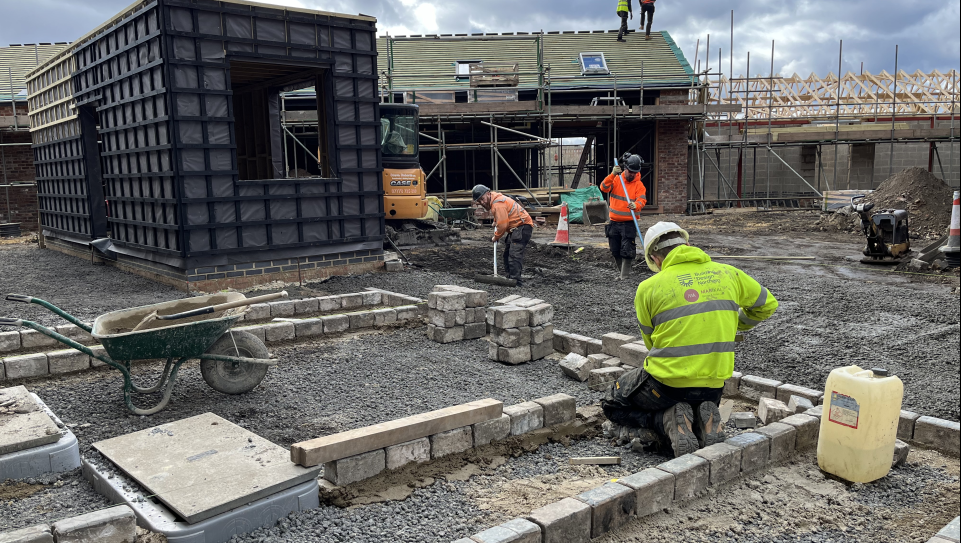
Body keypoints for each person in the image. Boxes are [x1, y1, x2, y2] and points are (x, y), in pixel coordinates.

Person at [602, 222, 779, 457]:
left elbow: (651, 344)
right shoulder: (729, 273)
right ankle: (701, 418)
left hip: (666, 388)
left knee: (613, 403)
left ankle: (664, 420)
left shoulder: (648, 287)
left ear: (655, 258)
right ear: (687, 245)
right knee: (696, 398)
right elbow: (768, 305)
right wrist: (734, 323)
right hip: (713, 388)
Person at [472, 184, 534, 287]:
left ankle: (516, 282)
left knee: (514, 255)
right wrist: (496, 220)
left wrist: (496, 237)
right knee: (507, 254)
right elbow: (503, 213)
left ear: (488, 194)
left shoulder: (497, 203)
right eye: (479, 201)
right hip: (516, 228)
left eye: (482, 199)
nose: (482, 202)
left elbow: (503, 225)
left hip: (522, 227)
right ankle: (509, 278)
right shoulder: (496, 200)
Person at [600, 154, 647, 279]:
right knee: (615, 250)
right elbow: (603, 188)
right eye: (630, 171)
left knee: (627, 250)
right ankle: (621, 274)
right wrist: (612, 175)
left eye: (634, 172)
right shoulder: (616, 180)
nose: (632, 174)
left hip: (629, 223)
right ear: (625, 168)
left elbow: (642, 200)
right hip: (614, 222)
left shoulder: (639, 185)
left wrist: (636, 205)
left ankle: (624, 276)